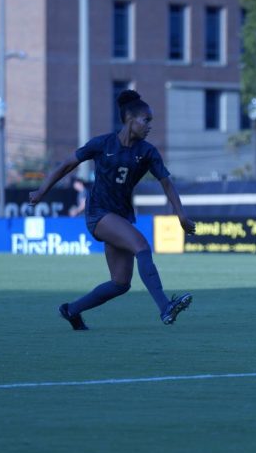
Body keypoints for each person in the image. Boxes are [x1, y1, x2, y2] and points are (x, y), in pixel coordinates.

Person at [26, 89, 196, 328]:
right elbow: (66, 165)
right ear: (130, 119)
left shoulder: (147, 152)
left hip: (121, 217)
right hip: (99, 214)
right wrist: (42, 191)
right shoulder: (102, 144)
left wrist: (181, 216)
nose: (150, 126)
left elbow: (167, 183)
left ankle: (71, 310)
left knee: (120, 283)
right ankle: (165, 307)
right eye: (146, 120)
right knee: (142, 247)